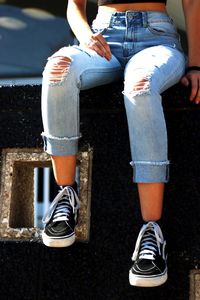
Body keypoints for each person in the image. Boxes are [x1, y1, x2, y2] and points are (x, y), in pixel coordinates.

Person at [41, 0, 200, 287]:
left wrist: (196, 64)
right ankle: (66, 196)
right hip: (103, 37)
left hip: (157, 39)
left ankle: (152, 232)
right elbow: (74, 5)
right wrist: (86, 36)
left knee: (140, 86)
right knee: (58, 69)